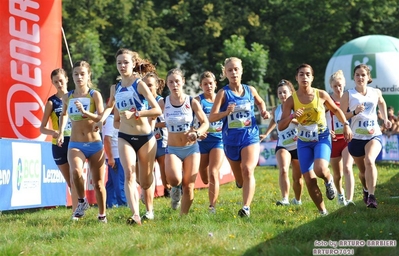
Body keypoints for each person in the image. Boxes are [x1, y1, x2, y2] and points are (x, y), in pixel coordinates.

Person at [278, 63, 352, 215]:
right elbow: (281, 126)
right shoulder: (291, 100)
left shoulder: (321, 95)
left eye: (307, 74)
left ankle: (328, 180)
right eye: (301, 74)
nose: (304, 77)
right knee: (309, 180)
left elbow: (336, 110)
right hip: (304, 142)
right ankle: (323, 212)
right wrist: (292, 116)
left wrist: (345, 124)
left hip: (321, 138)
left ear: (312, 77)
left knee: (319, 169)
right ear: (296, 78)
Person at [101, 48, 162, 225]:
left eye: (125, 62)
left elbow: (156, 110)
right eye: (119, 62)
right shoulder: (115, 88)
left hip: (145, 137)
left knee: (145, 180)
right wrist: (102, 120)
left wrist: (137, 115)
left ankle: (148, 206)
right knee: (128, 174)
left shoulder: (140, 85)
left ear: (133, 64)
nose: (122, 66)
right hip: (125, 136)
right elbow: (111, 111)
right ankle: (135, 215)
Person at [208, 57, 270, 218]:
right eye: (230, 70)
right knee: (241, 179)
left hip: (250, 136)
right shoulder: (223, 93)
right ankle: (240, 182)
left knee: (248, 169)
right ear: (225, 73)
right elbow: (212, 117)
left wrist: (263, 111)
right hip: (230, 140)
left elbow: (260, 102)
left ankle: (246, 208)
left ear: (241, 71)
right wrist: (225, 113)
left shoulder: (250, 90)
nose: (233, 72)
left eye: (236, 69)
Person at [57, 61, 107, 222]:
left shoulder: (94, 95)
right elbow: (64, 114)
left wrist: (85, 112)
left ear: (88, 76)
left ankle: (102, 215)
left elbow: (101, 118)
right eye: (76, 74)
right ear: (72, 76)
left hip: (94, 144)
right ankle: (81, 201)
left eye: (82, 74)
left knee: (98, 184)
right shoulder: (68, 96)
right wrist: (60, 132)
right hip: (75, 143)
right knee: (76, 172)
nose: (79, 77)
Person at [340, 64, 392, 208]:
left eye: (363, 75)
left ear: (368, 77)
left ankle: (371, 196)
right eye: (357, 74)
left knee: (370, 160)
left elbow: (382, 102)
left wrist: (386, 119)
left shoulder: (375, 92)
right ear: (353, 77)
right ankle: (365, 189)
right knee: (363, 172)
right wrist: (354, 112)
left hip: (373, 134)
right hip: (355, 138)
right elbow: (341, 115)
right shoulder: (348, 94)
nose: (360, 77)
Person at [163, 68, 209, 215]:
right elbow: (152, 117)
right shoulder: (163, 102)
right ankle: (175, 189)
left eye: (177, 81)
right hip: (173, 149)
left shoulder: (191, 101)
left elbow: (205, 123)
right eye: (170, 82)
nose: (174, 85)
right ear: (167, 84)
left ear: (183, 81)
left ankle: (183, 217)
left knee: (189, 185)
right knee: (175, 179)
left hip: (191, 149)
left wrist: (197, 132)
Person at [40, 68, 78, 212]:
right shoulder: (52, 102)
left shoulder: (75, 96)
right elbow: (42, 128)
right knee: (70, 182)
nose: (59, 84)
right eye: (56, 82)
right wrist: (54, 132)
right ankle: (80, 205)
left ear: (67, 79)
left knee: (76, 179)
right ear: (52, 83)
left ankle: (76, 213)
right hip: (59, 144)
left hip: (75, 141)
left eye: (61, 81)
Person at [260, 79, 303, 206]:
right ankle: (285, 199)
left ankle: (297, 200)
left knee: (297, 178)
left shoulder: (297, 108)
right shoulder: (276, 109)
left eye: (285, 92)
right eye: (280, 93)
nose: (282, 95)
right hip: (283, 145)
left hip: (297, 145)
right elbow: (275, 121)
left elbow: (304, 123)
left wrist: (293, 118)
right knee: (283, 169)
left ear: (291, 93)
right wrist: (266, 133)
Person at [194, 71, 224, 214]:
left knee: (213, 172)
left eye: (211, 83)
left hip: (218, 140)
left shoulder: (222, 100)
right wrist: (198, 131)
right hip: (201, 141)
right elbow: (189, 121)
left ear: (215, 84)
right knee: (204, 176)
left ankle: (212, 206)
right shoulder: (197, 101)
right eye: (205, 84)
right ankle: (205, 180)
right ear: (201, 86)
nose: (208, 86)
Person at [326, 70, 355, 206]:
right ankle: (340, 193)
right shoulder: (328, 101)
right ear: (331, 87)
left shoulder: (349, 98)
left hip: (347, 139)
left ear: (344, 84)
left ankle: (349, 200)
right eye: (335, 86)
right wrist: (327, 130)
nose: (338, 88)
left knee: (348, 167)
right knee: (337, 175)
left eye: (340, 85)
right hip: (333, 141)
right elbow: (320, 118)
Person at [143, 72, 171, 198]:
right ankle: (148, 194)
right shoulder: (141, 101)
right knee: (147, 169)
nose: (147, 88)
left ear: (156, 86)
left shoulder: (161, 101)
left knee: (164, 168)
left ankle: (169, 189)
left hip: (161, 139)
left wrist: (153, 124)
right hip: (145, 139)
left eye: (150, 85)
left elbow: (169, 122)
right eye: (145, 85)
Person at [102, 105, 127, 208]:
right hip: (116, 156)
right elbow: (107, 139)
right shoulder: (111, 120)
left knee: (112, 183)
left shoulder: (111, 120)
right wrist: (111, 157)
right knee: (119, 183)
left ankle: (111, 204)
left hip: (115, 156)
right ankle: (123, 205)